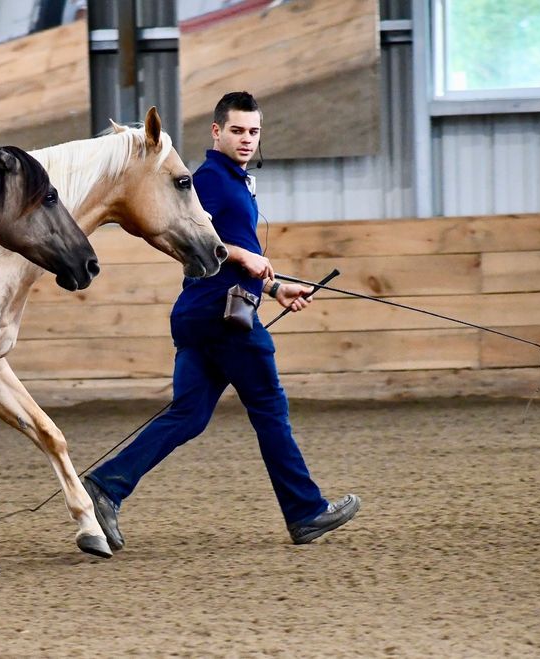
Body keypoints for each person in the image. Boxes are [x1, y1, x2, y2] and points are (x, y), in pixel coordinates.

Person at [83, 91, 359, 548]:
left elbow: (231, 256)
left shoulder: (233, 180)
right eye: (237, 130)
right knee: (270, 408)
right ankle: (306, 511)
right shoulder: (207, 179)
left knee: (188, 414)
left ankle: (106, 486)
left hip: (204, 312)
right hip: (222, 317)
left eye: (253, 131)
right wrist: (244, 255)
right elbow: (187, 234)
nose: (246, 139)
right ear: (216, 131)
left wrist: (273, 287)